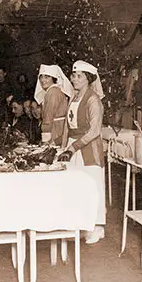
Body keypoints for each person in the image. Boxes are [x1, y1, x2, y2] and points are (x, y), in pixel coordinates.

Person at [58, 60, 106, 244]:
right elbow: (67, 126)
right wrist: (64, 147)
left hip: (88, 148)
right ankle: (79, 224)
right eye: (73, 75)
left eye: (79, 76)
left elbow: (94, 131)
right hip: (72, 147)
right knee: (75, 187)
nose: (74, 79)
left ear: (88, 79)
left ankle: (97, 226)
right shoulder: (74, 97)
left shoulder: (93, 99)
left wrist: (73, 147)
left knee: (93, 187)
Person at [34, 64, 73, 145]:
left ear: (53, 78)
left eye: (47, 77)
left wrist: (46, 139)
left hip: (55, 130)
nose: (42, 80)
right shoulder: (53, 91)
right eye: (41, 77)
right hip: (57, 128)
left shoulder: (53, 92)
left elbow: (48, 116)